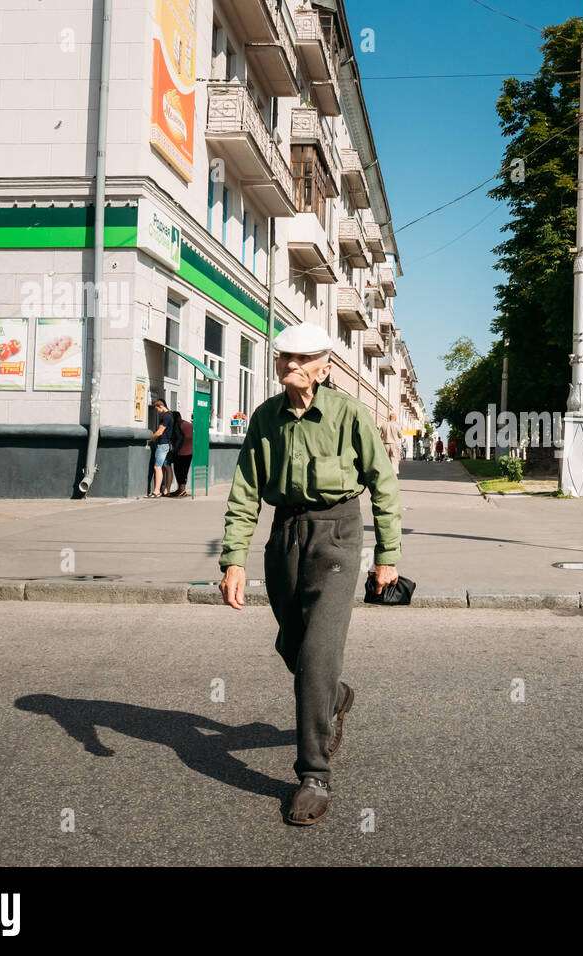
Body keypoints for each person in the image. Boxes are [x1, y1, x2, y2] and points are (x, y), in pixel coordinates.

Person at [218, 322, 401, 827]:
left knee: (318, 653)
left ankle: (313, 775)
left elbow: (383, 485)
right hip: (285, 537)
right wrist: (234, 559)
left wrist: (388, 555)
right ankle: (335, 696)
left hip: (338, 534)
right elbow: (244, 492)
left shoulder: (348, 414)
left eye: (300, 360)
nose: (289, 367)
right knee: (291, 646)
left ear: (324, 367)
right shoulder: (265, 419)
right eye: (283, 359)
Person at [147, 399, 175, 498]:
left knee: (157, 467)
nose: (157, 412)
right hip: (168, 444)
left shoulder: (165, 416)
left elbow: (159, 432)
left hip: (163, 444)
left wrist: (150, 440)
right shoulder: (171, 415)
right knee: (167, 467)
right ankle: (167, 490)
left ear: (161, 406)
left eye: (157, 409)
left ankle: (156, 491)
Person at [167, 411, 195, 497]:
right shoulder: (188, 425)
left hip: (183, 452)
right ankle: (181, 489)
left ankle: (182, 490)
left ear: (177, 418)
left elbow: (184, 438)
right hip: (188, 452)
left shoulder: (182, 426)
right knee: (182, 471)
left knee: (180, 471)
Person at [380, 410, 402, 476]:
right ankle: (393, 473)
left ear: (389, 418)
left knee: (386, 459)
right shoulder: (397, 425)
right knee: (394, 459)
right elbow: (400, 435)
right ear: (395, 418)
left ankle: (385, 472)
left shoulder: (384, 424)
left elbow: (379, 434)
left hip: (385, 443)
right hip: (394, 444)